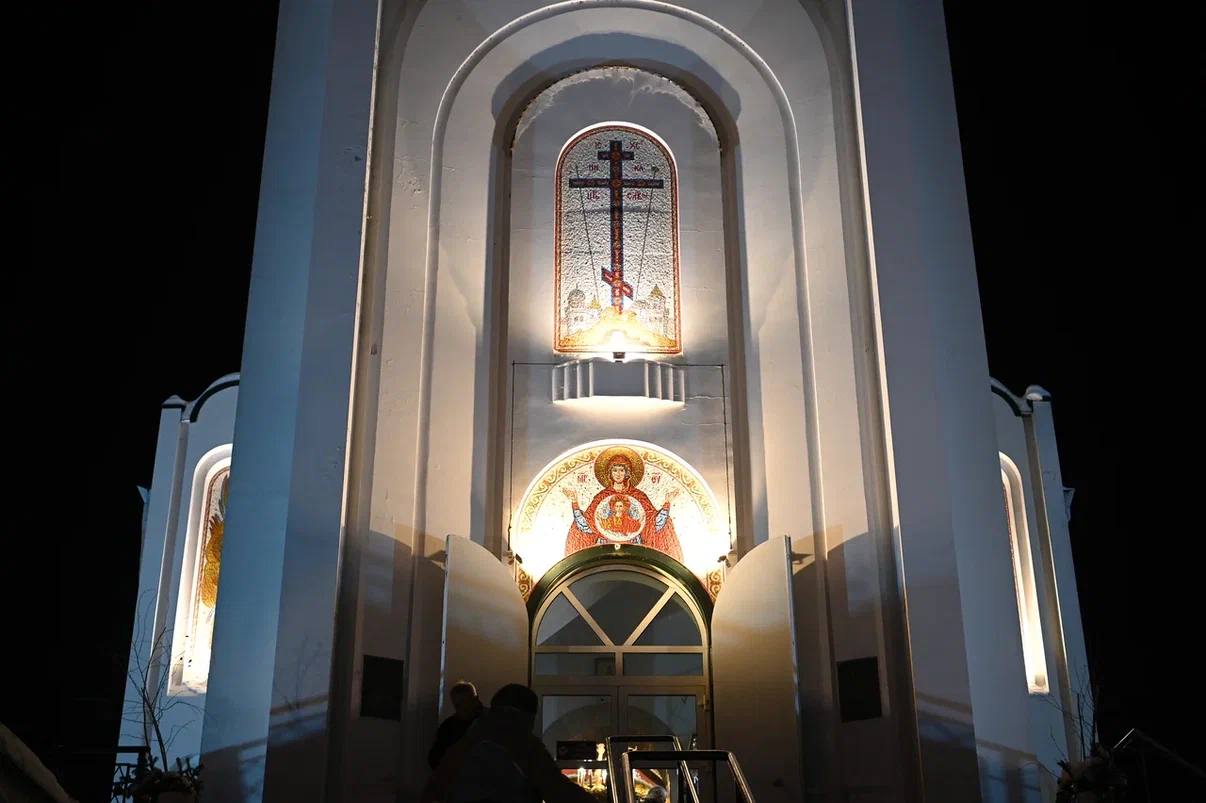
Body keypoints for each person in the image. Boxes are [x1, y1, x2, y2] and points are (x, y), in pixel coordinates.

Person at [421, 684, 595, 803]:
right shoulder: (524, 744)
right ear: (528, 716)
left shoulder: (470, 739)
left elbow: (436, 785)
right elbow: (557, 789)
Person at [562, 446, 683, 561]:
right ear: (610, 473)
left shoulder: (638, 496)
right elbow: (586, 526)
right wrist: (574, 502)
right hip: (604, 551)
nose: (618, 474)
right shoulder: (601, 497)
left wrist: (667, 503)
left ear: (627, 473)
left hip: (635, 551)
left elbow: (654, 524)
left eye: (621, 470)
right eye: (615, 470)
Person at [427, 681, 485, 769]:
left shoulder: (449, 726)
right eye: (459, 705)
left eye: (466, 702)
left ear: (475, 700)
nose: (464, 708)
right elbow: (435, 759)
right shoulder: (448, 727)